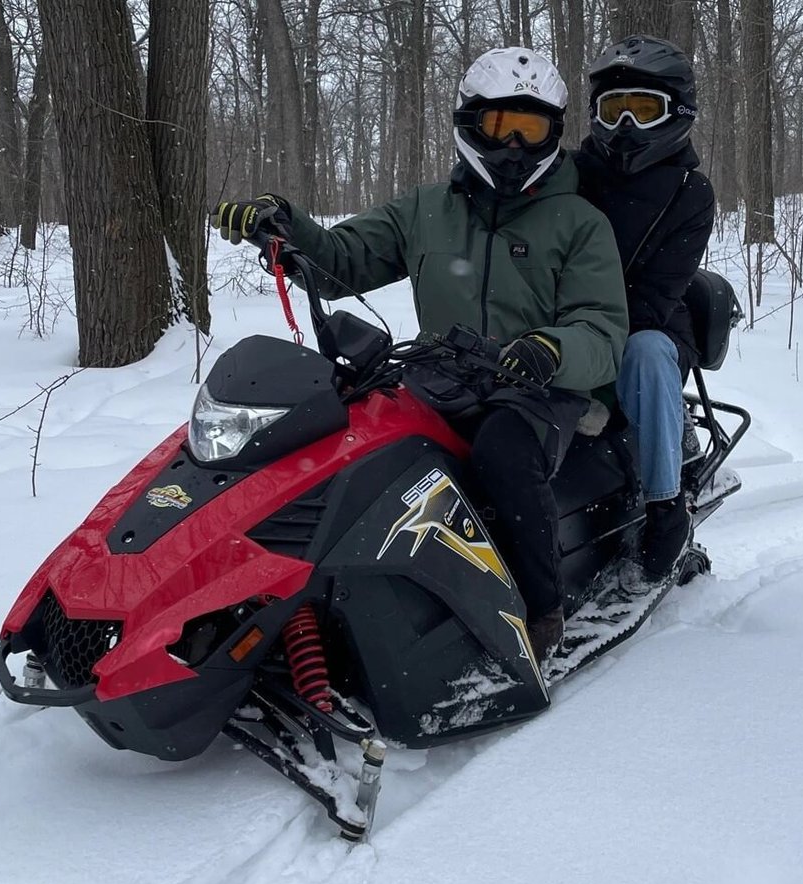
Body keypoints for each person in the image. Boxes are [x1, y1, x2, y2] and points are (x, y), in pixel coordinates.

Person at [211, 48, 629, 658]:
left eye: (530, 128)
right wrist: (284, 225)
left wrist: (549, 348)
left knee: (504, 450)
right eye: (499, 125)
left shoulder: (580, 222)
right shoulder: (427, 209)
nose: (513, 144)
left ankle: (541, 611)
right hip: (440, 375)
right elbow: (343, 259)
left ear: (553, 135)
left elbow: (602, 328)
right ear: (468, 123)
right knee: (349, 438)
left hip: (539, 390)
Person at [574, 35, 716, 581]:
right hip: (561, 321)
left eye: (643, 108)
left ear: (676, 113)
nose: (626, 125)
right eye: (614, 109)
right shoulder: (570, 173)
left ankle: (664, 504)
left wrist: (590, 368)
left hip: (649, 326)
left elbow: (656, 298)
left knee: (648, 351)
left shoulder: (690, 193)